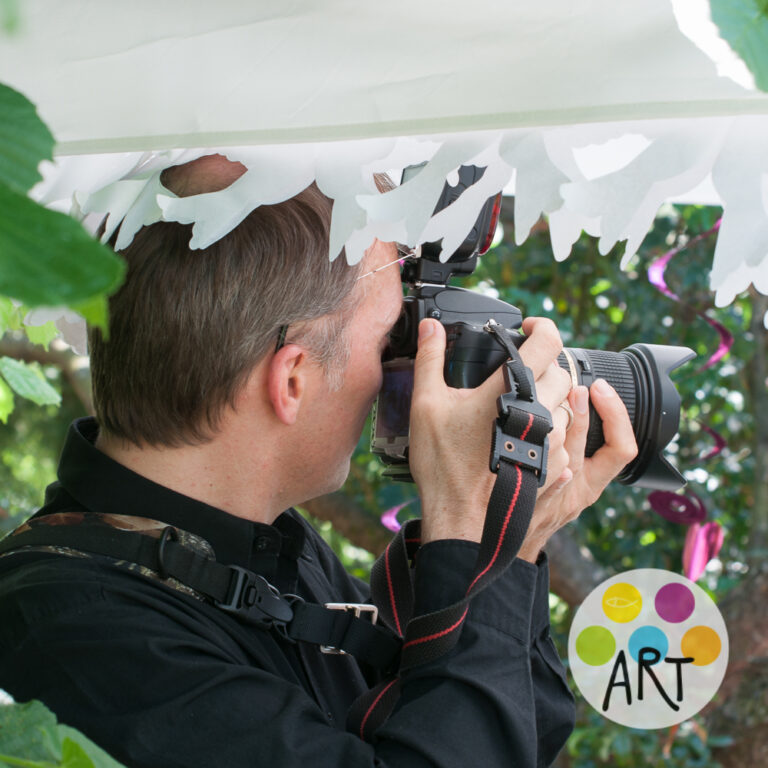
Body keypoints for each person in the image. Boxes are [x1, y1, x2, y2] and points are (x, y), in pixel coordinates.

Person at [0, 155, 637, 767]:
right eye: (390, 335)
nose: (403, 366)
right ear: (294, 380)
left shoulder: (254, 546)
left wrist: (509, 544)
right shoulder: (90, 639)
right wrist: (476, 537)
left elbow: (503, 734)